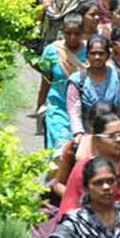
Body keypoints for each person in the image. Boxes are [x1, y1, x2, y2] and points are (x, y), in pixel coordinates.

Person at [67, 35, 120, 137]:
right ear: (87, 55)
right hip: (88, 136)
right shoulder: (77, 80)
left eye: (101, 53)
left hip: (117, 137)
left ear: (108, 55)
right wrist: (79, 134)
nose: (97, 57)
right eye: (93, 53)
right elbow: (74, 110)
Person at [39, 13, 87, 149]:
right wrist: (40, 105)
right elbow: (46, 80)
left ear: (83, 32)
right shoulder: (52, 51)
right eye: (68, 33)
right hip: (57, 108)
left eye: (77, 33)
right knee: (61, 148)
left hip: (83, 109)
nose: (72, 37)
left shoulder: (91, 52)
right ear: (62, 32)